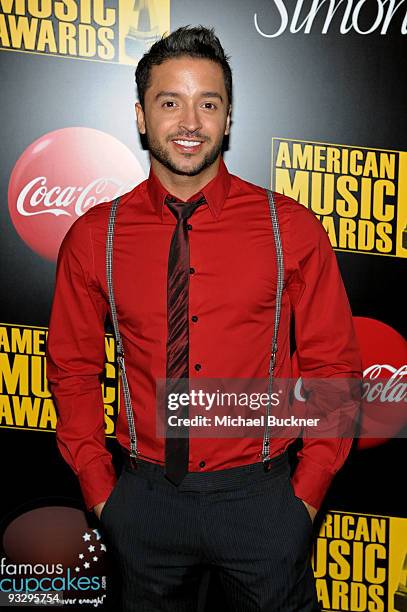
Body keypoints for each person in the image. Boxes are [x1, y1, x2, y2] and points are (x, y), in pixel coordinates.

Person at [46, 25, 362, 612]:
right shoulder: (95, 237)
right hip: (143, 500)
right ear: (141, 116)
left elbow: (334, 366)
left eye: (208, 103)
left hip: (264, 500)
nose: (190, 122)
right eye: (171, 102)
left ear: (228, 116)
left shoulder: (289, 228)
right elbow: (72, 368)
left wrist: (306, 495)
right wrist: (102, 494)